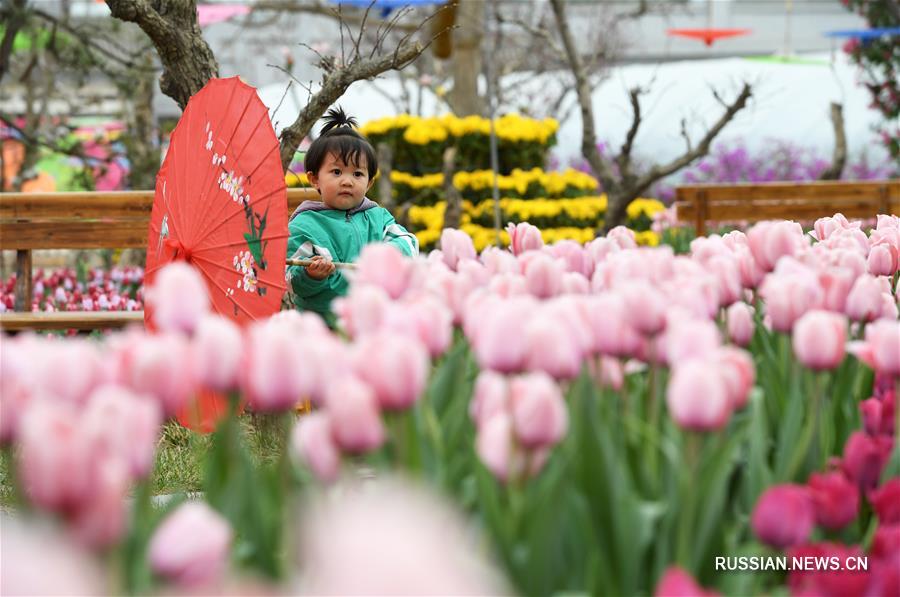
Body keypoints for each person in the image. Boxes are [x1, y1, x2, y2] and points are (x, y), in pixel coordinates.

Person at [286, 106, 419, 324]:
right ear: (314, 179)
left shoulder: (377, 217)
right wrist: (311, 276)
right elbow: (291, 276)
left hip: (375, 320)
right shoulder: (305, 225)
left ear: (369, 183)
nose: (347, 181)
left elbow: (408, 242)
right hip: (325, 325)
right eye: (336, 172)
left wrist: (384, 259)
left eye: (357, 174)